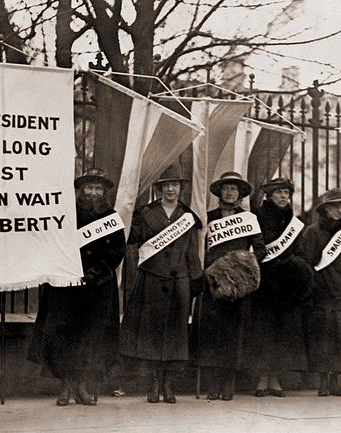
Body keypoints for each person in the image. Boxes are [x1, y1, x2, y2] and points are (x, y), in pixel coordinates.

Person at [28, 168, 125, 406]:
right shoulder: (66, 215)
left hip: (98, 286)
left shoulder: (112, 218)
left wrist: (100, 270)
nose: (93, 193)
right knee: (64, 334)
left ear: (104, 192)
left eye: (98, 188)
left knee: (91, 336)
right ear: (81, 190)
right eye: (89, 188)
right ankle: (65, 386)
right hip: (67, 284)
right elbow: (52, 244)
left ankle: (81, 384)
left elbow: (117, 250)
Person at [119, 166, 202, 404]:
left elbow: (192, 252)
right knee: (152, 332)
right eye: (166, 185)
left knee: (176, 333)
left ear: (180, 188)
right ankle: (153, 383)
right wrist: (126, 212)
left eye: (175, 184)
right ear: (159, 188)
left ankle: (169, 384)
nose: (171, 189)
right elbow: (131, 238)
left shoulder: (187, 216)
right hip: (152, 278)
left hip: (179, 281)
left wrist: (196, 281)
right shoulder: (145, 213)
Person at [194, 171, 266, 401]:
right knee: (212, 334)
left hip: (237, 287)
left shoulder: (249, 219)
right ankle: (212, 385)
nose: (229, 192)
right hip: (213, 283)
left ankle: (228, 384)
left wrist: (240, 266)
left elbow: (260, 250)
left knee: (233, 335)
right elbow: (199, 248)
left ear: (240, 194)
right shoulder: (208, 218)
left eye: (234, 189)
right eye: (226, 188)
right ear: (219, 192)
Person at [242, 178, 312, 397]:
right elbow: (255, 246)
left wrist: (297, 265)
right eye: (279, 193)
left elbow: (300, 250)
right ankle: (262, 379)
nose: (284, 197)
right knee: (264, 332)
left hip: (287, 284)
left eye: (286, 193)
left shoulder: (294, 220)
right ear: (269, 195)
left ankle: (275, 379)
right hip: (266, 281)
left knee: (283, 333)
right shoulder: (258, 217)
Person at [300, 188, 341, 397]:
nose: (338, 210)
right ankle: (323, 380)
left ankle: (335, 380)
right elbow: (308, 262)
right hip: (321, 290)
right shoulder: (312, 232)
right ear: (325, 209)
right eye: (334, 206)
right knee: (323, 339)